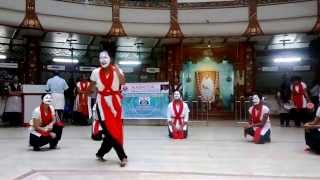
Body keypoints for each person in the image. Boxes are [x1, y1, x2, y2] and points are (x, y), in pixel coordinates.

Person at [89, 50, 128, 167]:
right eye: (100, 57)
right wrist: (90, 92)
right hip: (101, 103)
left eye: (105, 57)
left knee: (114, 131)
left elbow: (123, 82)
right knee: (110, 132)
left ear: (110, 59)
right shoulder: (95, 72)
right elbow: (91, 86)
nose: (103, 60)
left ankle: (100, 153)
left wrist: (117, 71)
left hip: (115, 103)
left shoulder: (118, 70)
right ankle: (123, 156)